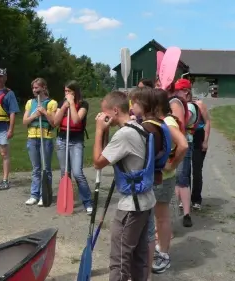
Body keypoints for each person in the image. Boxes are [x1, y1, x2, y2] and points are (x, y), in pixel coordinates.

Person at [93, 91, 156, 281]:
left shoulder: (124, 135)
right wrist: (104, 131)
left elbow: (97, 162)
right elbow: (111, 155)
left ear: (114, 110)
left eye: (104, 113)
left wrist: (98, 130)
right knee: (139, 255)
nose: (102, 117)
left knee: (119, 258)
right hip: (145, 202)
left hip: (131, 206)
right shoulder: (138, 127)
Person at [151, 88, 188, 275]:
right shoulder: (162, 120)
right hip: (158, 178)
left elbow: (183, 144)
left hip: (163, 179)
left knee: (162, 217)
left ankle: (163, 255)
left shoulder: (167, 121)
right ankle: (158, 248)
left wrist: (172, 165)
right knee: (158, 217)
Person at [53, 80, 93, 214]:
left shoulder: (83, 104)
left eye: (69, 91)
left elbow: (76, 120)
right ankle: (67, 200)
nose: (67, 94)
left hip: (76, 142)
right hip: (62, 140)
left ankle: (88, 202)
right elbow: (55, 122)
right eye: (65, 91)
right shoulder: (61, 103)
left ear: (75, 92)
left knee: (77, 173)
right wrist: (64, 107)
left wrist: (71, 104)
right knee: (65, 172)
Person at [23, 78, 57, 206]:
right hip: (32, 137)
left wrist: (44, 112)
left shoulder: (52, 103)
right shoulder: (30, 103)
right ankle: (34, 195)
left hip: (46, 138)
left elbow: (54, 123)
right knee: (36, 169)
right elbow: (25, 122)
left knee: (46, 168)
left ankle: (45, 195)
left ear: (44, 88)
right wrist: (35, 115)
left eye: (37, 88)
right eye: (33, 88)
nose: (34, 90)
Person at [171, 78, 195, 227]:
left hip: (184, 142)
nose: (175, 92)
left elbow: (181, 123)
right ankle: (177, 210)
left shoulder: (189, 107)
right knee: (175, 179)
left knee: (182, 178)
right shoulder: (177, 103)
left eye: (178, 90)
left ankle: (186, 213)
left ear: (185, 91)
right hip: (175, 143)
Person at [188, 91, 210, 210]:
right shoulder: (178, 105)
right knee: (184, 171)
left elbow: (207, 122)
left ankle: (196, 199)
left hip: (198, 136)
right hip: (186, 137)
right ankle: (185, 198)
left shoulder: (199, 104)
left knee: (196, 170)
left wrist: (205, 141)